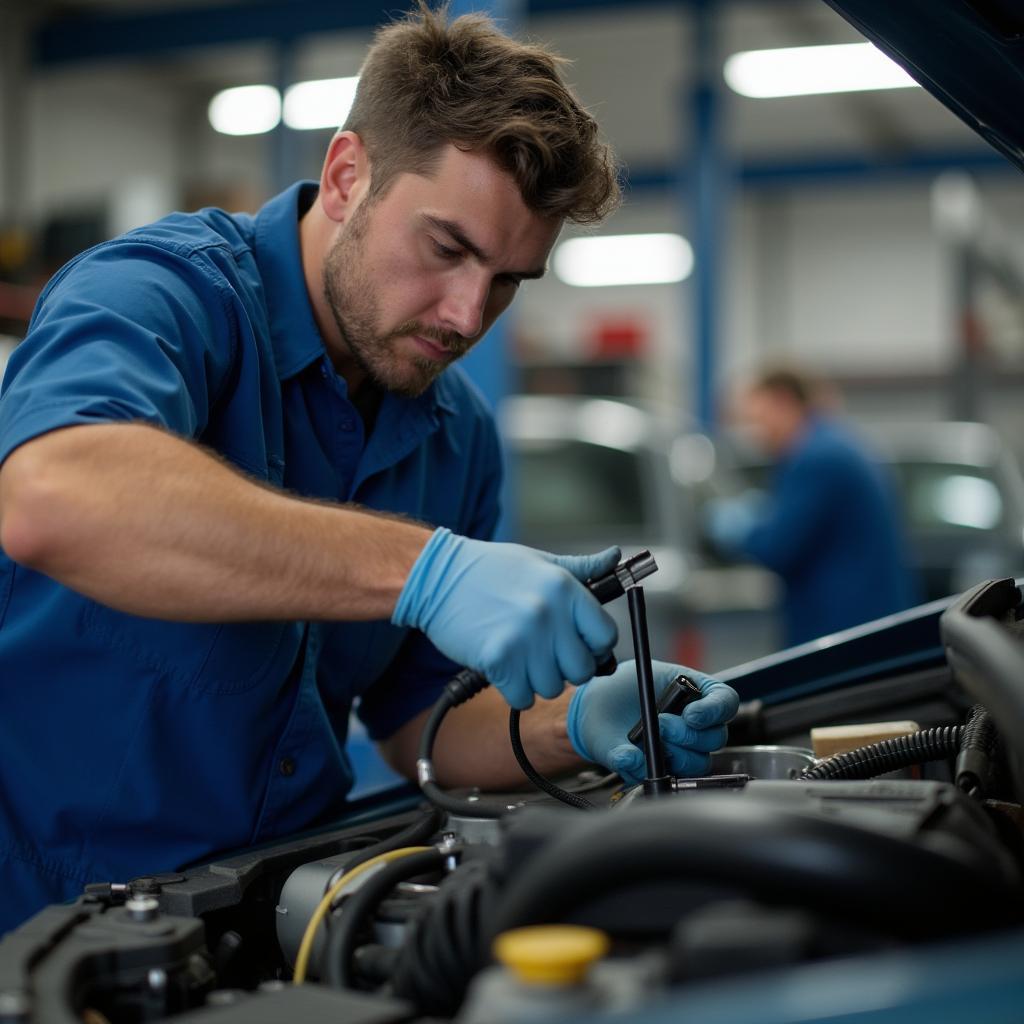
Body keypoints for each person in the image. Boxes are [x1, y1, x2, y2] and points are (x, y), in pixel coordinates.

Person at [0, 4, 737, 932]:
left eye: (509, 278)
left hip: (271, 920)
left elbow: (413, 722)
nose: (470, 315)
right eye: (447, 249)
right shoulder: (163, 294)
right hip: (39, 930)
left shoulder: (454, 433)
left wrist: (580, 725)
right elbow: (56, 496)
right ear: (349, 177)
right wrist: (427, 570)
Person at [707, 367, 918, 646]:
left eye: (757, 420)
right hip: (865, 621)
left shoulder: (816, 458)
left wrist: (739, 528)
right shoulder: (834, 444)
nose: (755, 435)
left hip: (845, 630)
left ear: (782, 401)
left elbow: (777, 546)